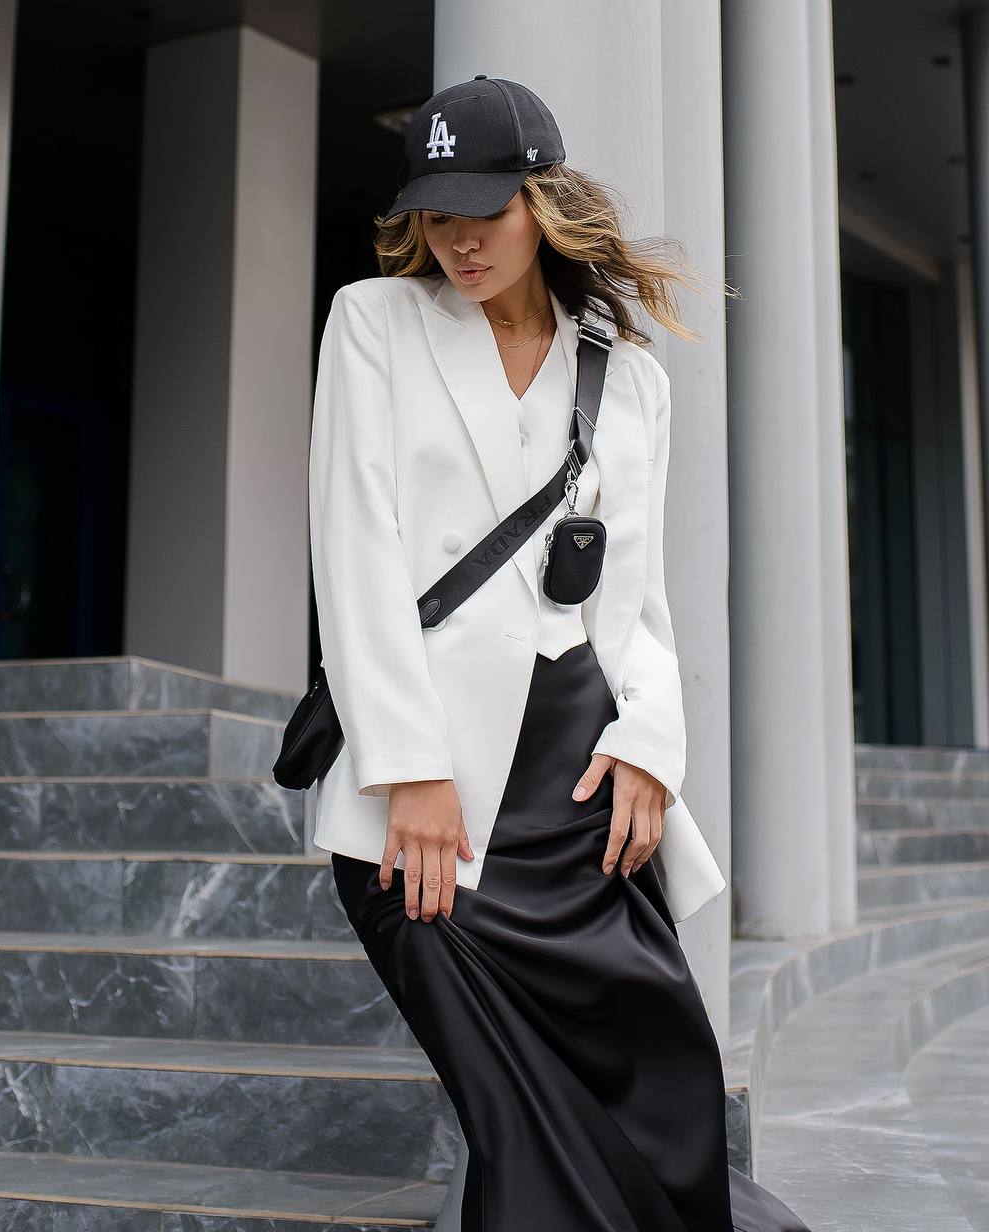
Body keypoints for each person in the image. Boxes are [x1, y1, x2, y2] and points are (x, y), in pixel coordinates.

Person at [308, 74, 810, 1232]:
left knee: (666, 1077)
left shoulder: (628, 376)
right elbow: (354, 551)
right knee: (519, 1116)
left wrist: (650, 744)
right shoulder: (372, 323)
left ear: (543, 199)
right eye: (436, 212)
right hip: (432, 794)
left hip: (582, 781)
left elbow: (636, 599)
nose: (458, 239)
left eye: (485, 209)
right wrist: (408, 769)